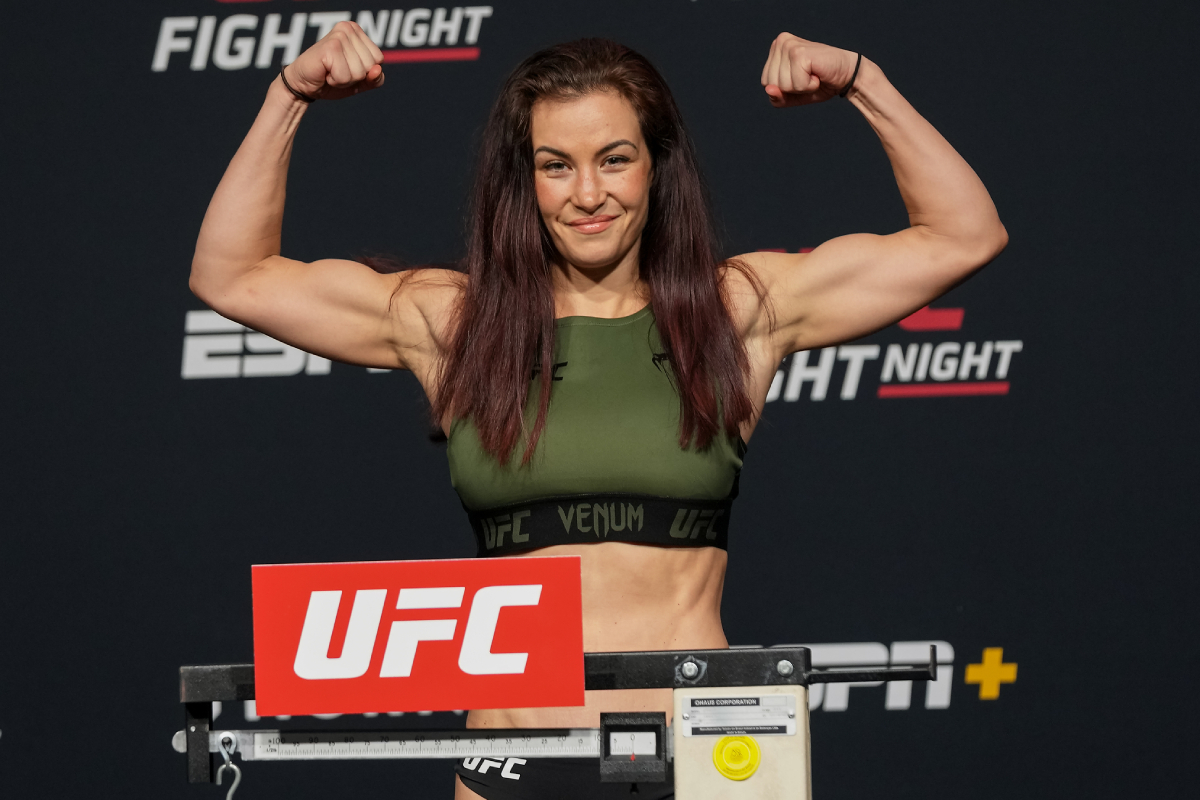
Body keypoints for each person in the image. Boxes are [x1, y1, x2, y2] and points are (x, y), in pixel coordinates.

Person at [190, 22, 1006, 800]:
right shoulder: (456, 323)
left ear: (656, 166)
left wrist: (863, 81)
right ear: (524, 180)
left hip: (701, 753)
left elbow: (963, 236)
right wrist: (288, 95)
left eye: (615, 159)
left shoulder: (734, 311)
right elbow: (232, 276)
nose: (588, 194)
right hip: (512, 761)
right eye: (556, 165)